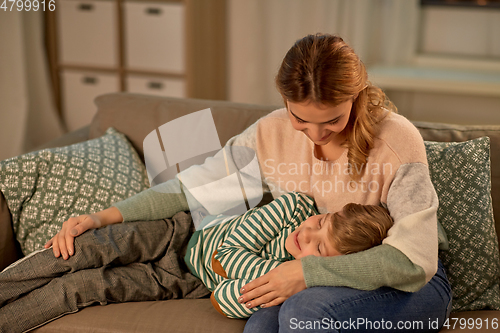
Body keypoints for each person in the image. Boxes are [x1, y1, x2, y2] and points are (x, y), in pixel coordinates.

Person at [42, 33, 451, 332]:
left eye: (332, 120)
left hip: (409, 283)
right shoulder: (269, 133)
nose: (317, 134)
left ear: (357, 97)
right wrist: (100, 218)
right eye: (300, 119)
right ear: (284, 101)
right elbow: (192, 187)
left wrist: (305, 274)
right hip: (315, 269)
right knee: (260, 325)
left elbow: (413, 262)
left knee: (302, 314)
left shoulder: (397, 140)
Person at [186, 191, 393, 318]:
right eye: (321, 222)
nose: (307, 234)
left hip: (191, 281)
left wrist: (297, 281)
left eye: (320, 248)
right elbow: (222, 258)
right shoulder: (294, 208)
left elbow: (221, 297)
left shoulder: (295, 289)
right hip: (188, 234)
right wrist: (279, 274)